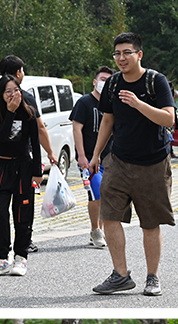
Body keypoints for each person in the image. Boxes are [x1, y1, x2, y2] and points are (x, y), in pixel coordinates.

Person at [89, 33, 176, 297]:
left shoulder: (155, 81)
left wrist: (139, 104)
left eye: (127, 52)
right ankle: (121, 275)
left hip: (153, 162)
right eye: (117, 53)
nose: (121, 58)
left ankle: (153, 277)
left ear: (139, 54)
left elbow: (168, 119)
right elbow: (107, 121)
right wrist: (96, 155)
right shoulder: (113, 84)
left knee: (150, 223)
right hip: (118, 160)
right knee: (109, 216)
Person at [0, 74, 43, 277]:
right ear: (1, 94)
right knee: (0, 215)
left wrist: (37, 172)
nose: (12, 95)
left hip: (24, 168)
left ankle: (21, 257)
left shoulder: (29, 113)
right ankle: (1, 258)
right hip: (2, 167)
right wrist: (9, 112)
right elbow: (0, 139)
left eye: (15, 91)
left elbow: (35, 144)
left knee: (23, 216)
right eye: (8, 92)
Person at [70, 66, 115, 248]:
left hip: (110, 158)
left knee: (106, 194)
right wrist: (81, 156)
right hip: (89, 158)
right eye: (102, 79)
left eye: (108, 80)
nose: (105, 83)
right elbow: (76, 128)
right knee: (96, 192)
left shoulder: (112, 104)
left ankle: (100, 230)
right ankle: (95, 229)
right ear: (95, 82)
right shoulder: (84, 102)